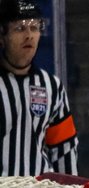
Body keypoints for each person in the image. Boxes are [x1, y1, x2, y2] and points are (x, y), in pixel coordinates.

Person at [0, 0, 75, 176]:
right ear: (2, 36)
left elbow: (64, 147)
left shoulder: (52, 86)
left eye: (34, 28)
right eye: (20, 29)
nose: (29, 36)